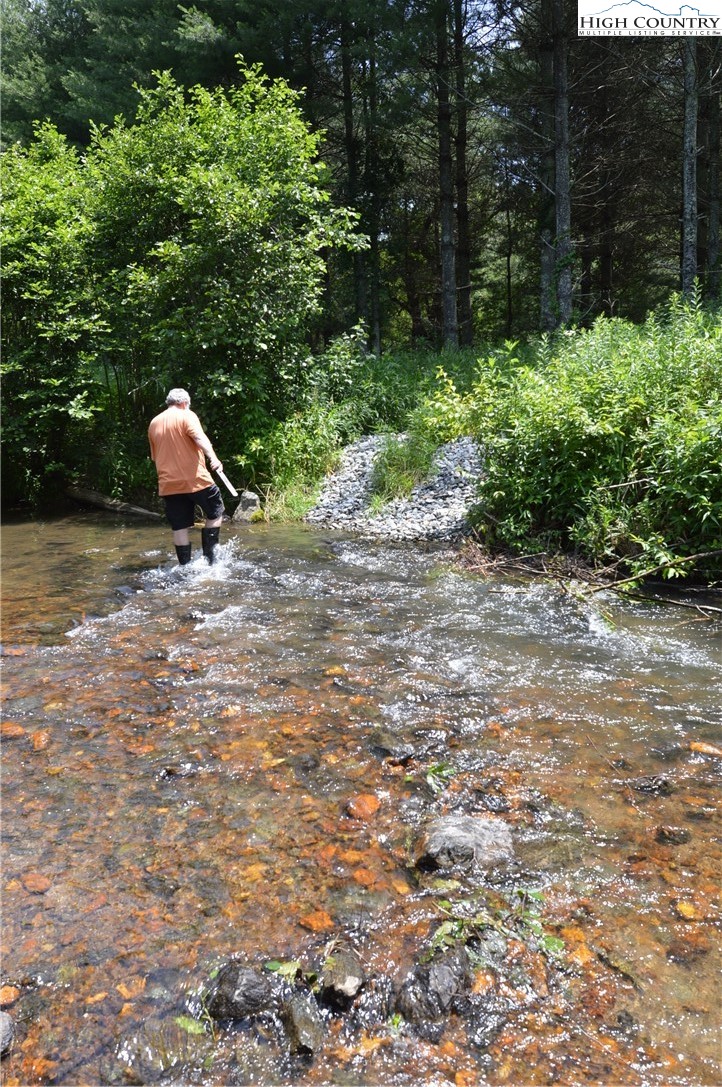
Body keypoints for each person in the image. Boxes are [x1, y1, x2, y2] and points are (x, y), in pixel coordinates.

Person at [148, 388, 225, 565]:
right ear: (184, 403)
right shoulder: (187, 415)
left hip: (168, 484)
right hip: (196, 479)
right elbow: (199, 437)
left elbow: (155, 456)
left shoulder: (154, 423)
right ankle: (211, 562)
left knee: (180, 526)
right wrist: (213, 458)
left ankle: (185, 566)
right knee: (216, 512)